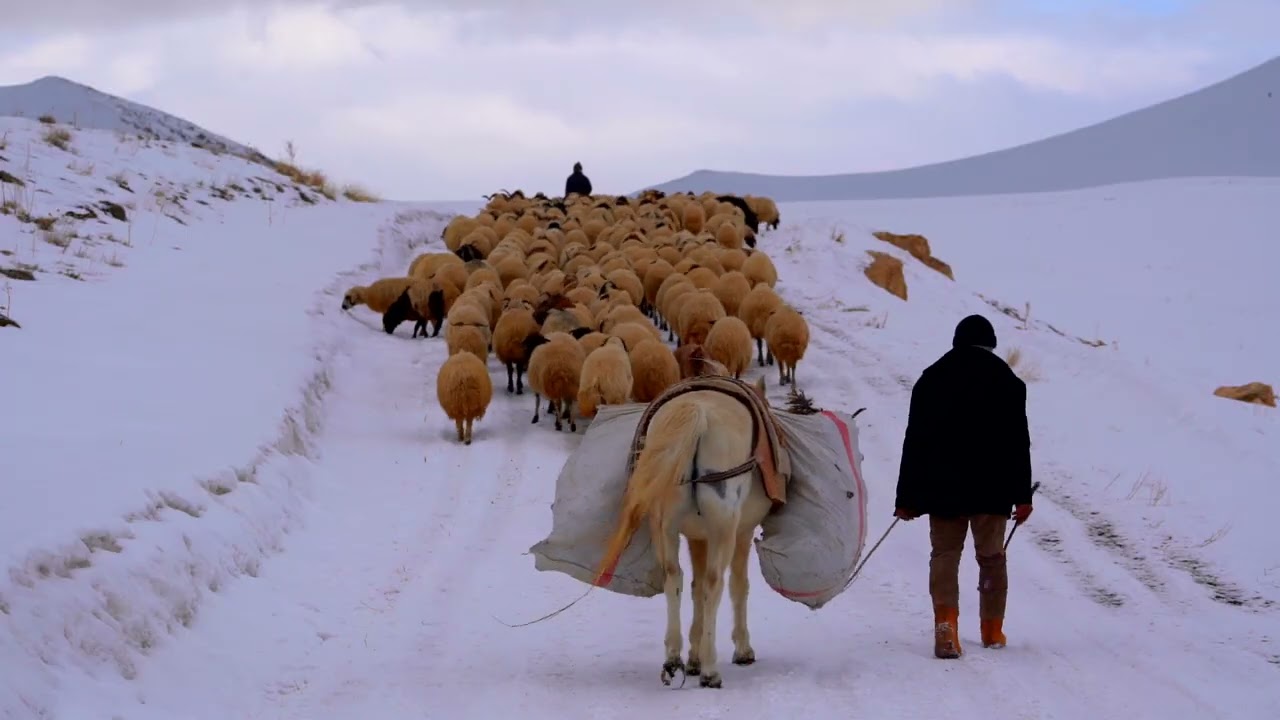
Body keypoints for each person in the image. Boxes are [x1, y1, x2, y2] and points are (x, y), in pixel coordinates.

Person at [894, 314, 1033, 659]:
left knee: (944, 555)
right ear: (990, 344)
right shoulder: (1009, 383)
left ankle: (946, 627)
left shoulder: (931, 380)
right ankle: (992, 629)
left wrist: (906, 498)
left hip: (945, 489)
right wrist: (1022, 496)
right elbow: (1018, 443)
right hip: (993, 488)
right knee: (991, 557)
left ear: (957, 342)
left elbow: (915, 443)